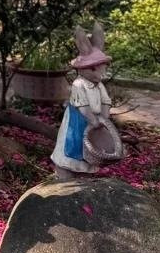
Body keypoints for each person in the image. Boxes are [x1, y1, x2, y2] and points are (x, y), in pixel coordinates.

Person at [51, 25, 123, 179]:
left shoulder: (99, 85)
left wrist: (104, 117)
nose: (99, 75)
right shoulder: (79, 84)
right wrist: (93, 120)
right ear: (82, 69)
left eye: (101, 70)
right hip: (79, 119)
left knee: (93, 146)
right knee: (74, 145)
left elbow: (105, 102)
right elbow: (83, 107)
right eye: (93, 70)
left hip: (96, 121)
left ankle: (85, 170)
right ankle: (66, 170)